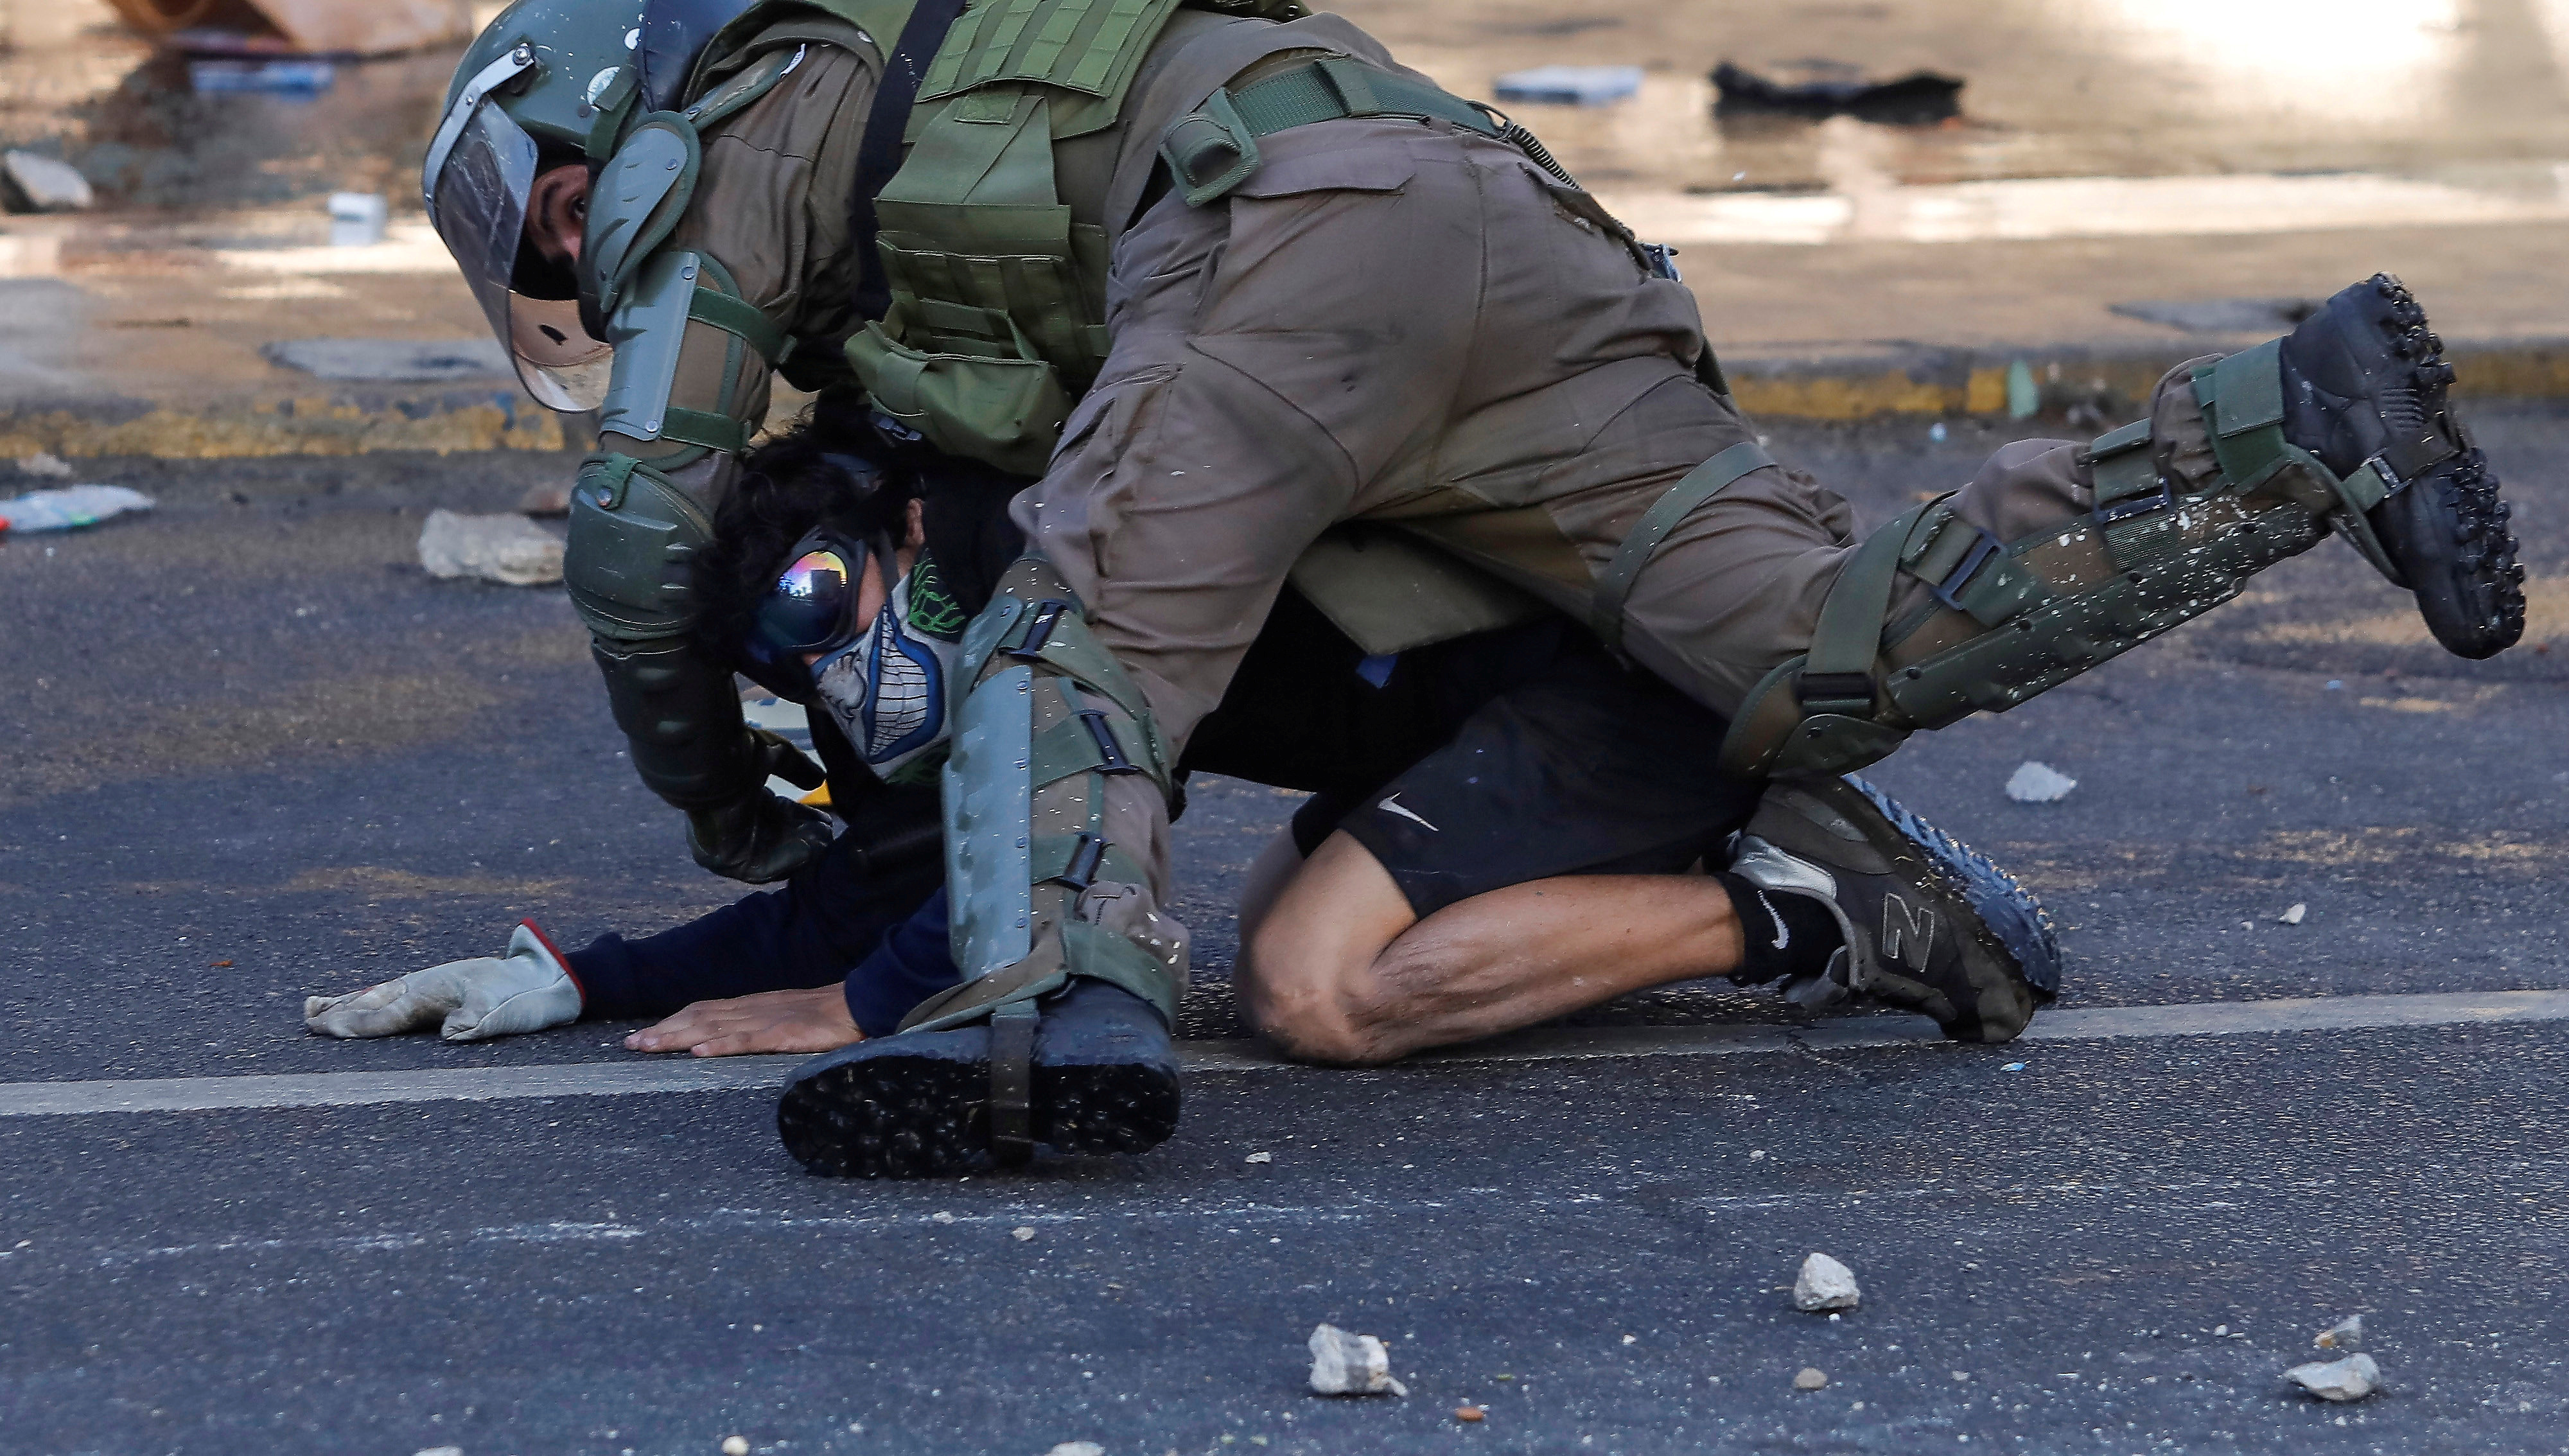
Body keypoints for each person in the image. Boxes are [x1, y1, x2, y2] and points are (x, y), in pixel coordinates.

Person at [417, 0, 2525, 1177]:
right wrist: (612, 970)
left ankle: (1038, 1015)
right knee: (1821, 647)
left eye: (539, 210)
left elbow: (636, 523)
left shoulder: (750, 115)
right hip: (1498, 227)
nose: (569, 258)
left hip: (1286, 228)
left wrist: (718, 815)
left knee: (1083, 629)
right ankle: (2282, 428)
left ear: (598, 129)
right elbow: (911, 764)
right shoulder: (923, 238)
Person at [310, 417, 2059, 1179]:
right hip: (1476, 704)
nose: (826, 671)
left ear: (903, 525)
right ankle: (1751, 857)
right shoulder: (957, 598)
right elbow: (897, 874)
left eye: (819, 605)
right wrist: (582, 973)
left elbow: (980, 905)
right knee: (1279, 918)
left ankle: (1820, 904)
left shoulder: (1037, 543)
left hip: (1604, 682)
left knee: (1314, 986)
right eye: (784, 662)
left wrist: (854, 1005)